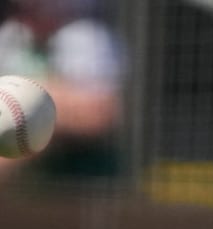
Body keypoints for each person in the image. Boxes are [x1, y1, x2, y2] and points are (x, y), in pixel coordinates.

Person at [0, 0, 124, 184]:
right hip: (22, 184)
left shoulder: (85, 37)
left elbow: (102, 113)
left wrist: (39, 102)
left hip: (81, 178)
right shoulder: (10, 34)